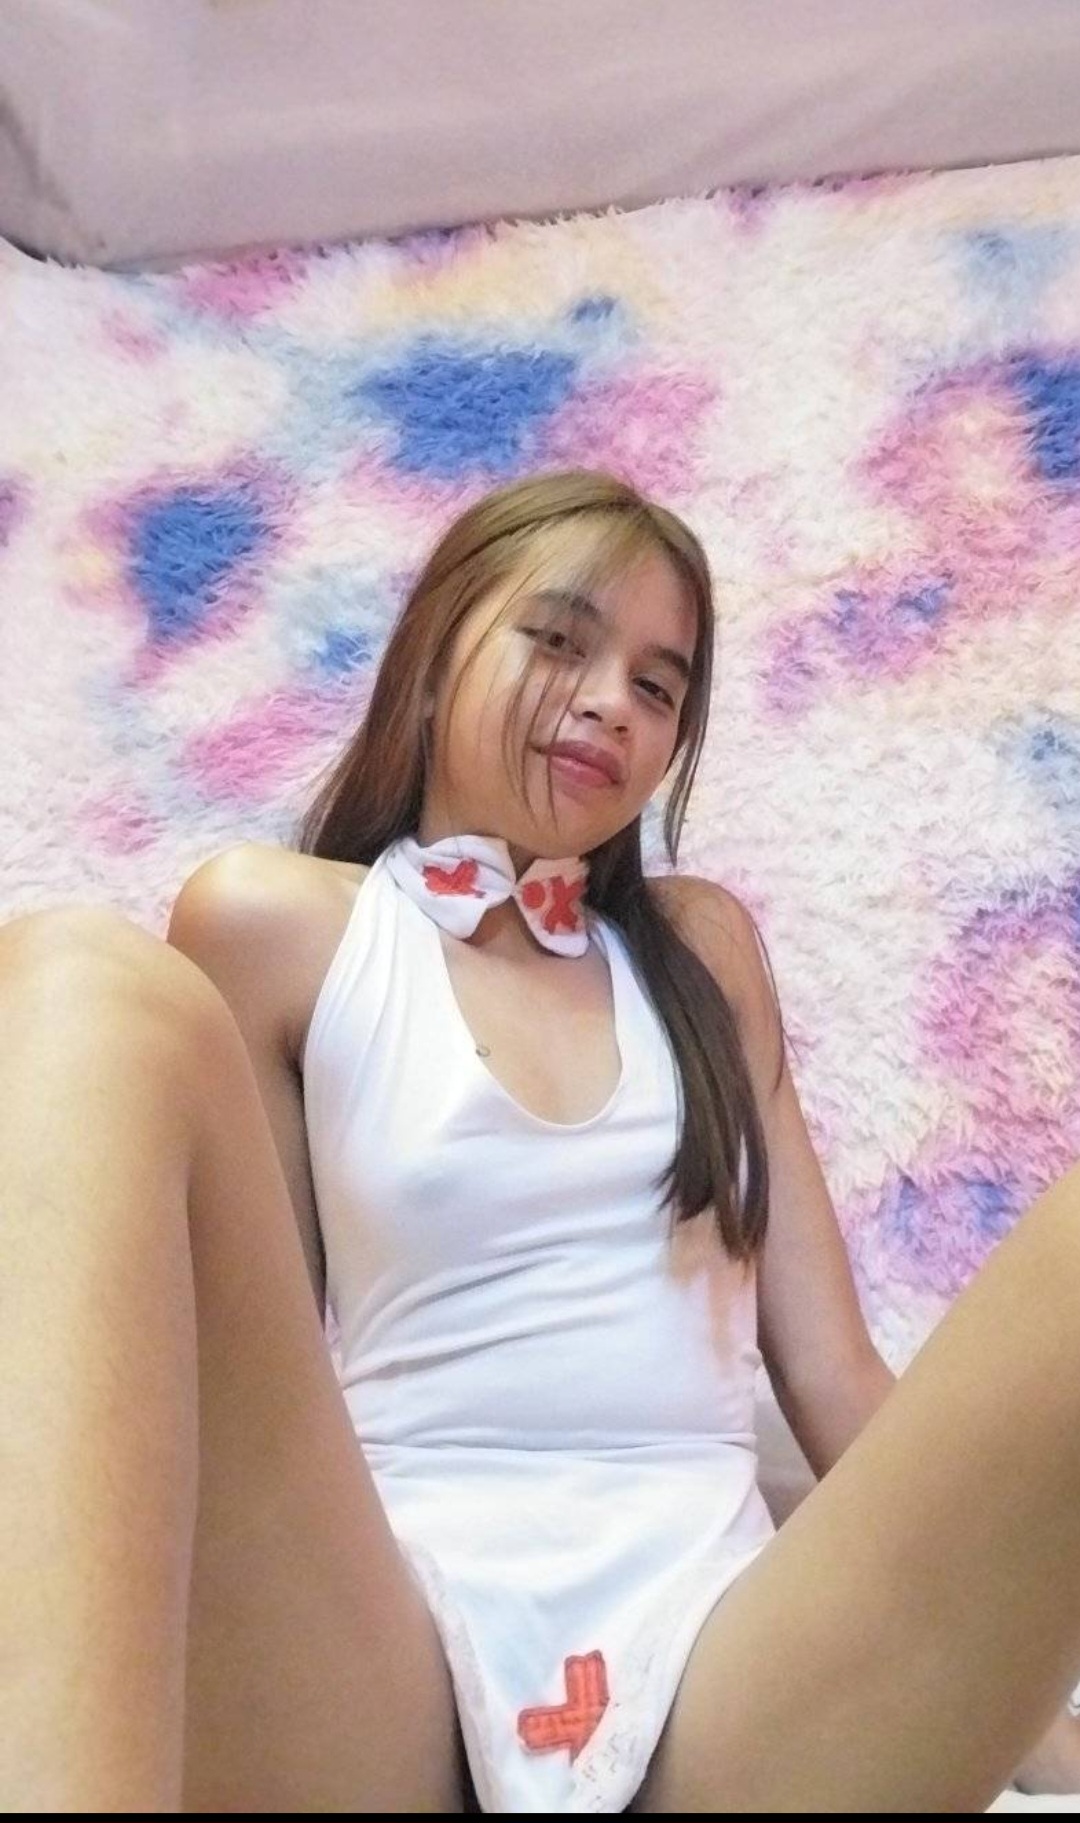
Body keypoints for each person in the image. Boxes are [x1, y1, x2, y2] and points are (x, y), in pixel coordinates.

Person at [3, 468, 1080, 1815]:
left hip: (721, 1674)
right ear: (434, 651)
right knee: (77, 981)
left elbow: (835, 1374)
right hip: (387, 1666)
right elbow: (242, 1365)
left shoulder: (705, 954)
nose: (611, 702)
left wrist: (1019, 1693)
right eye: (561, 640)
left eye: (659, 687)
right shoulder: (276, 925)